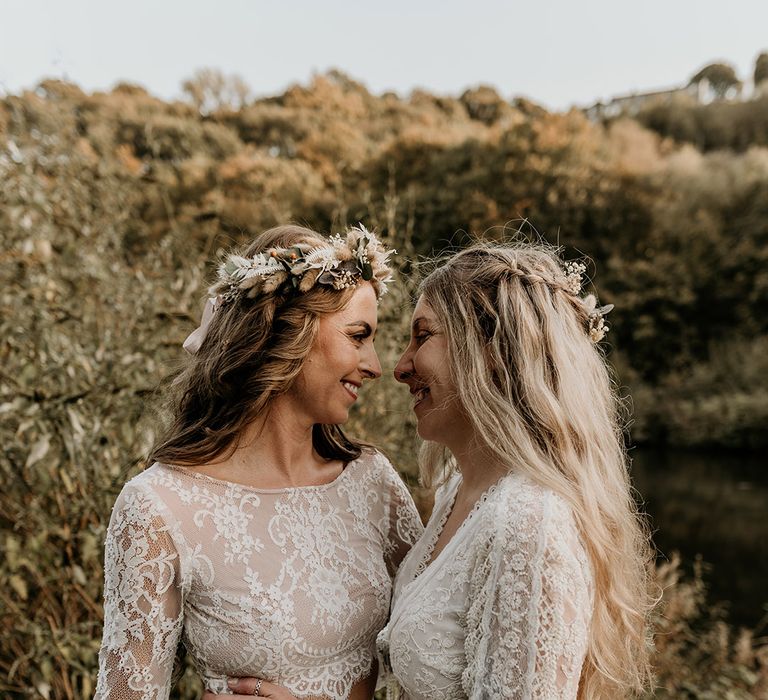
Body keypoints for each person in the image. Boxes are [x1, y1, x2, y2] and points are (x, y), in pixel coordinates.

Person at [94, 224, 424, 700]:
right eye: (358, 336)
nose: (375, 365)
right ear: (287, 333)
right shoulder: (159, 507)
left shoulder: (372, 482)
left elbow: (439, 657)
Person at [372, 244, 655, 699]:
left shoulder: (528, 523)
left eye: (422, 336)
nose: (400, 367)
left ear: (492, 350)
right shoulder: (457, 494)